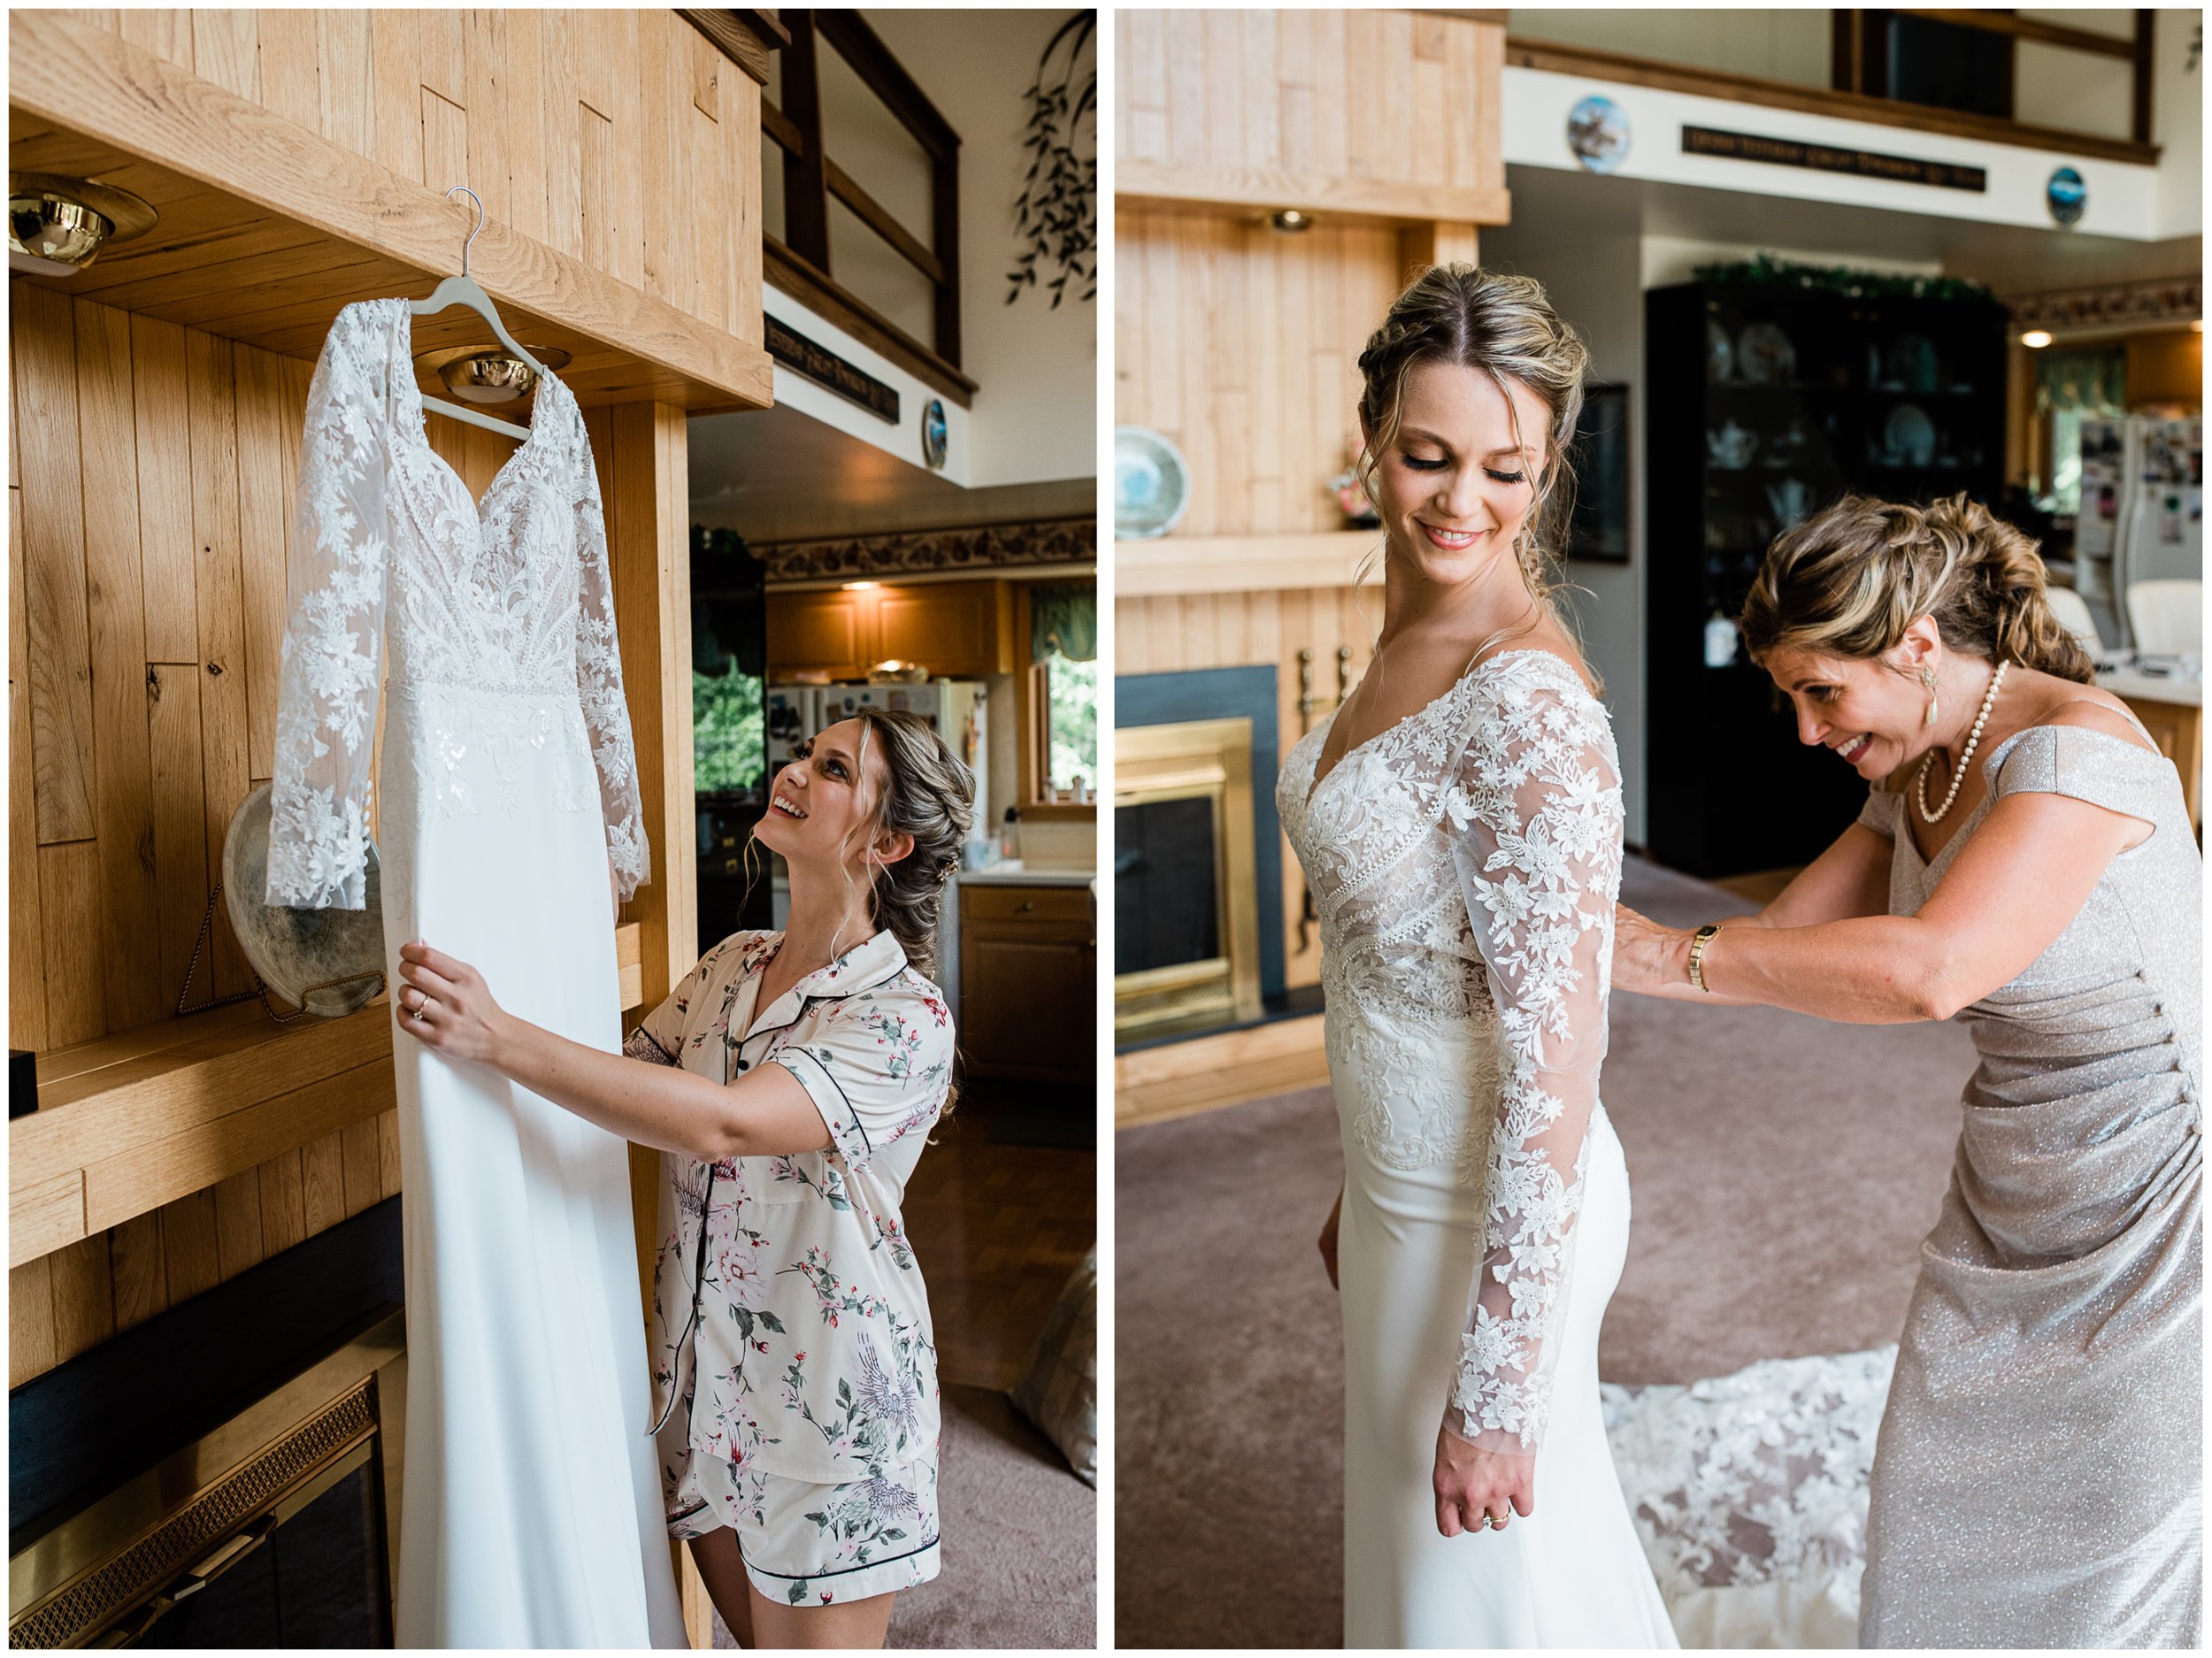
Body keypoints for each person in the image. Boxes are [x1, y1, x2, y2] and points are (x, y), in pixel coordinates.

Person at [1613, 495, 2201, 1648]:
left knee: (2115, 1534)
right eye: (1790, 694)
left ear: (1920, 645)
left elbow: (1933, 970)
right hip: (2015, 1168)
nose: (1803, 729)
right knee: (1936, 1492)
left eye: (1822, 690)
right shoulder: (1925, 766)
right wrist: (1590, 929)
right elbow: (1784, 942)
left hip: (2166, 1197)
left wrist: (1662, 949)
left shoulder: (2079, 754)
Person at [396, 708, 974, 1651]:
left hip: (831, 1423)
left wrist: (493, 1034)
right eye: (804, 754)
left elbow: (723, 1122)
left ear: (888, 841)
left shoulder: (905, 1017)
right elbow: (618, 1081)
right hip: (700, 1405)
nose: (792, 772)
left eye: (831, 768)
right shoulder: (728, 965)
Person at [1280, 265, 1674, 1647]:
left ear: (1549, 461)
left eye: (1507, 469)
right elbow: (1407, 968)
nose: (1461, 504)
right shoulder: (1408, 622)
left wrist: (1503, 1382)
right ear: (1372, 437)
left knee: (1485, 1586)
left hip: (1501, 1208)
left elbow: (1559, 1063)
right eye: (1428, 456)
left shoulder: (1529, 705)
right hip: (1398, 1185)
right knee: (1422, 1577)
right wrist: (1355, 1181)